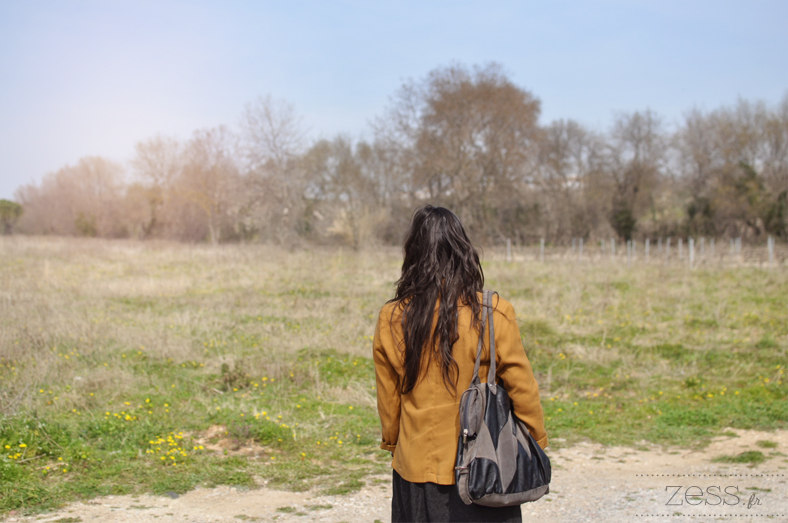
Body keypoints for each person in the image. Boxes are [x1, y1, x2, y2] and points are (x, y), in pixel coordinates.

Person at [373, 205, 548, 523]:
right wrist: (535, 440)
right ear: (463, 251)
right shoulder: (494, 312)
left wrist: (394, 441)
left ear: (413, 254)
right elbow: (522, 385)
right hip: (485, 463)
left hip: (415, 465)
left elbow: (389, 394)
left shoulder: (393, 316)